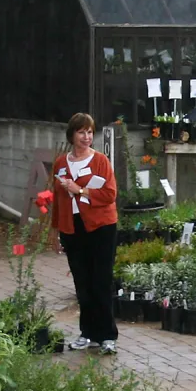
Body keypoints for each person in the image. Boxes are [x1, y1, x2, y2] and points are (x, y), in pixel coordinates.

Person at [51, 113, 120, 354]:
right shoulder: (60, 164)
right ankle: (88, 333)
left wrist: (80, 190)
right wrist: (56, 231)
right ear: (72, 135)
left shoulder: (100, 161)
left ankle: (108, 335)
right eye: (82, 132)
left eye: (90, 132)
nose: (87, 137)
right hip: (73, 228)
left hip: (101, 227)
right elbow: (58, 201)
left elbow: (110, 195)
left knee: (100, 281)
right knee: (82, 282)